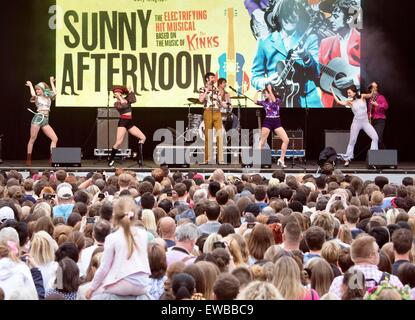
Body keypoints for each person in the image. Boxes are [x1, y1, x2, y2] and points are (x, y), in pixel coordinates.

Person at [251, 0, 321, 108]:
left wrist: (306, 57)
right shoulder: (264, 42)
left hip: (308, 103)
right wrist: (268, 81)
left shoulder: (310, 39)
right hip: (277, 103)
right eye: (286, 13)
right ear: (278, 16)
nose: (290, 17)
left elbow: (316, 73)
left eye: (294, 12)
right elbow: (255, 77)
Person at [86, 196, 151, 299]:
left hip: (121, 284)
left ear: (114, 216)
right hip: (142, 284)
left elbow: (104, 268)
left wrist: (91, 288)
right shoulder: (144, 234)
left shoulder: (112, 238)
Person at [318, 0, 361, 108]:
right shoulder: (325, 43)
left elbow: (372, 71)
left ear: (349, 18)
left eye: (336, 16)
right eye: (331, 15)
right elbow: (318, 74)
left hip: (359, 101)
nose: (330, 19)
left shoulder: (361, 40)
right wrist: (307, 61)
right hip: (332, 103)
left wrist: (354, 80)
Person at [330, 85, 378, 166]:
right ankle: (347, 159)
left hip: (365, 123)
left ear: (354, 92)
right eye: (347, 93)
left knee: (375, 138)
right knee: (352, 141)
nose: (348, 94)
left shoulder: (362, 96)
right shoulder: (350, 102)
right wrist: (332, 90)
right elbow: (338, 101)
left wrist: (373, 88)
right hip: (356, 123)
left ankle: (373, 159)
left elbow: (371, 95)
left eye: (349, 92)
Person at [108, 85, 146, 167]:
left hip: (129, 122)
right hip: (123, 122)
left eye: (118, 93)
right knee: (118, 142)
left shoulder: (127, 99)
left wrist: (131, 91)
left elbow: (134, 99)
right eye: (116, 93)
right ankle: (110, 160)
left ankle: (139, 159)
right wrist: (119, 97)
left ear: (121, 94)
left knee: (143, 137)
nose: (117, 94)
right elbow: (124, 105)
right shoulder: (116, 103)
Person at [25, 77, 58, 166]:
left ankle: (52, 158)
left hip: (45, 120)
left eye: (38, 89)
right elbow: (32, 93)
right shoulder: (37, 98)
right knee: (32, 139)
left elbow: (55, 93)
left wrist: (51, 81)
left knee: (54, 138)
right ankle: (28, 158)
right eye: (36, 89)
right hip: (38, 118)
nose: (37, 91)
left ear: (43, 90)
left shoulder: (48, 98)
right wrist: (31, 85)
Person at [254, 84, 289, 167]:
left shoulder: (278, 99)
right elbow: (255, 101)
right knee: (261, 142)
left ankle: (281, 159)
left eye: (265, 93)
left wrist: (269, 90)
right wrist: (257, 92)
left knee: (286, 140)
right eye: (264, 93)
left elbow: (274, 101)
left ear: (270, 93)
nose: (264, 95)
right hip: (268, 121)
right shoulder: (264, 102)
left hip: (277, 122)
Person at [199, 72, 224, 164]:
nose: (214, 79)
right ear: (207, 79)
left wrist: (226, 105)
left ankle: (220, 159)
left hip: (217, 112)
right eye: (212, 77)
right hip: (208, 111)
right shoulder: (202, 89)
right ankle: (207, 159)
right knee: (208, 136)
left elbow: (221, 102)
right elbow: (201, 100)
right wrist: (206, 90)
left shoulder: (217, 90)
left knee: (219, 136)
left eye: (214, 77)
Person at [367, 82, 389, 149]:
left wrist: (377, 105)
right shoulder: (370, 100)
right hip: (373, 121)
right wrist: (369, 116)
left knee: (377, 138)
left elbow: (386, 106)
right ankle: (383, 153)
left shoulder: (381, 97)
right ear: (371, 89)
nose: (376, 88)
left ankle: (380, 153)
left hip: (380, 120)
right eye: (374, 87)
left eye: (376, 87)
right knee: (376, 139)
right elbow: (368, 111)